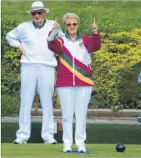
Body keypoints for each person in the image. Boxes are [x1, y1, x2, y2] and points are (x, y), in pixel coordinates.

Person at [6, 1, 63, 144]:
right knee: (26, 101)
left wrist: (57, 31)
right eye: (34, 13)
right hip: (28, 66)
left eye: (39, 12)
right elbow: (9, 36)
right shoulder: (24, 27)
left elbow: (63, 41)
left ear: (44, 13)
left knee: (47, 101)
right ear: (31, 14)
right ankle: (22, 136)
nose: (37, 15)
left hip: (47, 66)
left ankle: (48, 135)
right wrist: (20, 46)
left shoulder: (52, 25)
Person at [47, 13, 101, 153]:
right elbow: (51, 45)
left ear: (78, 25)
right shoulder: (61, 41)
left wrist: (95, 32)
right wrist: (53, 31)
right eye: (69, 24)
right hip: (65, 83)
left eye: (74, 24)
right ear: (65, 26)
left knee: (81, 114)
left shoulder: (85, 40)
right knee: (66, 115)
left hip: (84, 81)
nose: (72, 26)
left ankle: (81, 144)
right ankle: (67, 144)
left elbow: (96, 46)